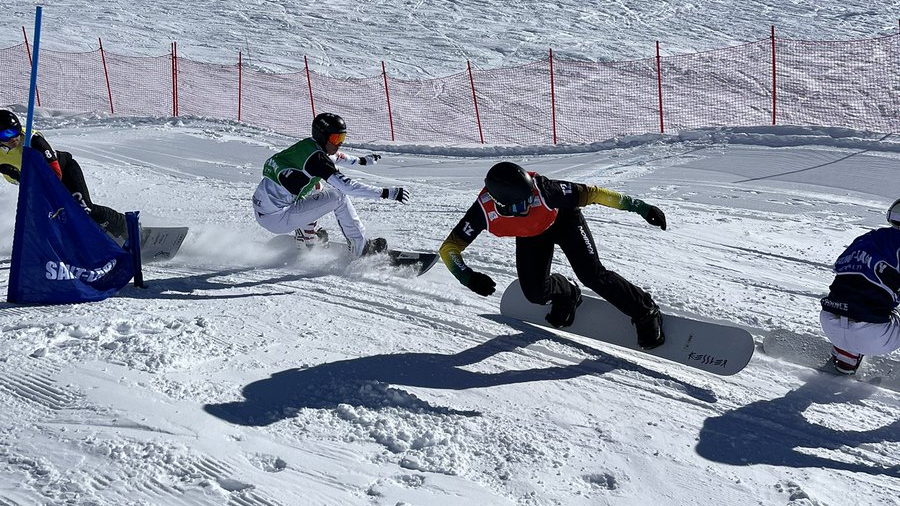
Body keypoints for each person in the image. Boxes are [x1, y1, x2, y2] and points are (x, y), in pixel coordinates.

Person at [438, 160, 668, 348]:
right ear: (500, 205)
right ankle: (567, 294)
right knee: (535, 294)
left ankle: (645, 310)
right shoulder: (482, 212)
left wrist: (642, 208)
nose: (529, 206)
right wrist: (467, 277)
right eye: (520, 207)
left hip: (565, 221)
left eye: (530, 198)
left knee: (592, 274)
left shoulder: (546, 191)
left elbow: (596, 194)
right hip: (532, 235)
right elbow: (449, 249)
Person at [252, 112, 409, 257]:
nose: (339, 144)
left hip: (264, 210)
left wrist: (362, 161)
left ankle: (306, 238)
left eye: (342, 139)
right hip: (279, 217)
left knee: (317, 187)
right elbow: (347, 186)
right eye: (335, 139)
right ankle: (360, 248)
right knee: (338, 196)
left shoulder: (308, 146)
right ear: (322, 136)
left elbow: (337, 157)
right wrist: (386, 193)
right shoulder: (317, 161)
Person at [0, 108, 128, 241]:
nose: (12, 138)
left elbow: (55, 174)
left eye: (14, 131)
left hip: (64, 170)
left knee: (83, 207)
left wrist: (21, 176)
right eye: (5, 135)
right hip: (39, 183)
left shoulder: (32, 140)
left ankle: (124, 226)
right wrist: (20, 178)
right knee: (53, 217)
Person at [819, 198, 900, 374]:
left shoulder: (867, 238)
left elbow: (840, 267)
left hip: (829, 322)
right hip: (875, 335)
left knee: (858, 299)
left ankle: (845, 358)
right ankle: (851, 349)